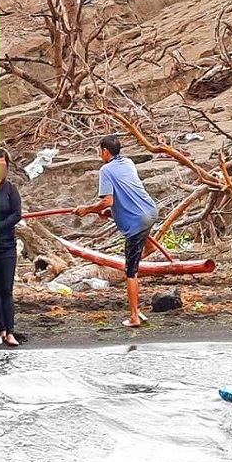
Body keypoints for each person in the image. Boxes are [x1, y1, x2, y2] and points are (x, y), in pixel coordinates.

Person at [73, 135, 158, 328]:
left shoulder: (106, 170)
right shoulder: (127, 162)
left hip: (137, 220)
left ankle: (134, 316)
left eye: (99, 151)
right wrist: (107, 212)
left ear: (105, 151)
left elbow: (108, 201)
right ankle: (149, 246)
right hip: (150, 211)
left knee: (130, 271)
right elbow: (124, 194)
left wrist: (87, 209)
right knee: (142, 232)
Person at [0, 148, 22, 347]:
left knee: (6, 289)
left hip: (6, 244)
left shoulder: (11, 190)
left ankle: (10, 331)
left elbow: (17, 214)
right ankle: (0, 328)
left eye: (3, 165)